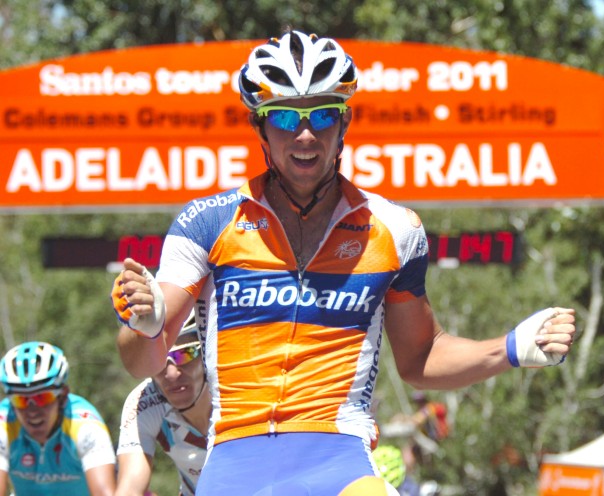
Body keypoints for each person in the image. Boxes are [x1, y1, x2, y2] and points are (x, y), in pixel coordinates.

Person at [110, 29, 577, 496]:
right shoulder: (207, 222)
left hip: (339, 461)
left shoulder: (394, 229)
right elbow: (141, 361)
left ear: (345, 122)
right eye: (285, 118)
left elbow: (421, 356)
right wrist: (145, 326)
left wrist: (511, 347)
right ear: (260, 128)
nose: (306, 134)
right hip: (235, 463)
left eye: (323, 115)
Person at [0, 341, 116, 496]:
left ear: (62, 397)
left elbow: (104, 493)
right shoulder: (4, 424)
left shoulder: (85, 425)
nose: (32, 411)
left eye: (42, 398)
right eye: (20, 400)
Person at [115, 312, 210, 496]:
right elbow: (130, 489)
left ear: (206, 353)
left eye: (185, 354)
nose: (172, 374)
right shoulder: (143, 402)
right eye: (159, 361)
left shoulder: (233, 388)